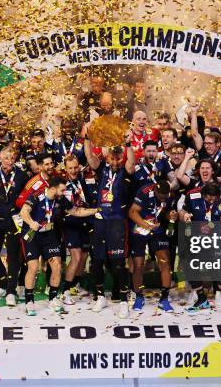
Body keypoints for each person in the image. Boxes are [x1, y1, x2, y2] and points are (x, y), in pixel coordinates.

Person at [19, 176, 97, 316]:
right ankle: (29, 301)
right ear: (53, 189)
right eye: (62, 190)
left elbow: (76, 211)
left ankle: (53, 299)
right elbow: (23, 212)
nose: (64, 192)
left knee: (56, 264)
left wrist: (96, 210)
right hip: (32, 234)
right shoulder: (36, 196)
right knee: (33, 267)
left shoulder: (60, 199)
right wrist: (31, 222)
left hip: (49, 234)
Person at [84, 128, 135, 318]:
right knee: (96, 262)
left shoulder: (126, 172)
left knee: (118, 263)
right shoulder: (101, 169)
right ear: (107, 158)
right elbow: (89, 157)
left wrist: (128, 144)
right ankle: (100, 297)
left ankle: (123, 301)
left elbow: (132, 162)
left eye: (117, 158)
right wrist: (88, 138)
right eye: (112, 158)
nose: (115, 161)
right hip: (100, 222)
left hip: (117, 223)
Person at [179, 182, 221, 317]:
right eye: (209, 198)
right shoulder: (192, 195)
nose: (211, 201)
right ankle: (202, 299)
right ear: (203, 194)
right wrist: (184, 215)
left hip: (217, 238)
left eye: (214, 198)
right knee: (190, 267)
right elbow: (183, 211)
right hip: (197, 238)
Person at [0, 146, 28, 305]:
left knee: (14, 257)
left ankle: (11, 291)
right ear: (0, 159)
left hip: (13, 220)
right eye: (7, 158)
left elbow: (26, 197)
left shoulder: (22, 175)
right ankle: (2, 283)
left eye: (12, 158)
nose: (10, 161)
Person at [128, 180, 177, 313]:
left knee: (165, 262)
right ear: (155, 190)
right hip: (140, 228)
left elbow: (165, 213)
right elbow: (132, 212)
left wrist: (170, 215)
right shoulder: (144, 191)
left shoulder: (169, 194)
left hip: (158, 230)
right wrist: (146, 225)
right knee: (139, 264)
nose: (163, 198)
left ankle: (164, 299)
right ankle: (139, 296)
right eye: (160, 195)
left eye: (165, 196)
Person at [59, 155, 96, 305]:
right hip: (70, 224)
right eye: (70, 168)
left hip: (85, 222)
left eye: (75, 167)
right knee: (76, 256)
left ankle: (75, 285)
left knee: (84, 256)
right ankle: (65, 291)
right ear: (65, 169)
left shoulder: (82, 179)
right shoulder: (62, 184)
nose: (73, 171)